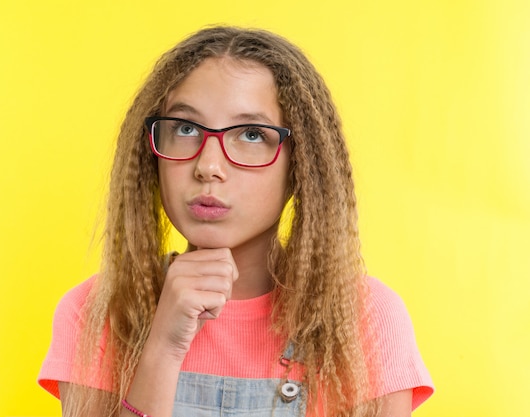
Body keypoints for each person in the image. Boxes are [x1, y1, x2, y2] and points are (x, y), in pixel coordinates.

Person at [38, 26, 433, 417]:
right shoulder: (95, 313)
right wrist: (162, 347)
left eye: (250, 134)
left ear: (301, 164)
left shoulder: (364, 319)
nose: (208, 166)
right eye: (186, 129)